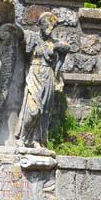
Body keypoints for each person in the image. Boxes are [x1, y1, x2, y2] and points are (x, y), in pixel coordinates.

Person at [17, 12, 69, 147]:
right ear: (41, 25)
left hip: (48, 76)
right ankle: (23, 139)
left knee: (44, 112)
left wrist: (57, 70)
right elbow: (19, 33)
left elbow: (65, 49)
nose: (50, 30)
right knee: (33, 110)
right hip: (34, 75)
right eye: (48, 26)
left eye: (52, 27)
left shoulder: (54, 43)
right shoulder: (32, 37)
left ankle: (37, 140)